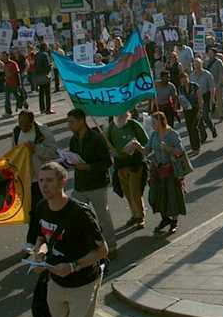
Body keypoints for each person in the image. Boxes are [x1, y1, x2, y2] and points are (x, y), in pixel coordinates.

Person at [28, 161, 116, 317]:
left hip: (83, 281)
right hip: (55, 280)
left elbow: (102, 250)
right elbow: (41, 237)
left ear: (62, 182)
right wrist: (39, 255)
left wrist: (74, 266)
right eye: (41, 180)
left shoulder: (80, 213)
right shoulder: (42, 208)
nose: (44, 186)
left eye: (49, 181)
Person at [66, 109, 117, 258]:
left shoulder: (96, 138)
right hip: (80, 185)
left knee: (103, 217)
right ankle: (85, 245)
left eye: (72, 122)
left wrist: (88, 167)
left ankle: (111, 247)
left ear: (81, 121)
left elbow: (107, 162)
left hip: (96, 184)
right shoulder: (73, 140)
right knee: (75, 214)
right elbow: (73, 157)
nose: (69, 125)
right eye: (68, 122)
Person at [135, 111, 187, 234]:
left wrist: (169, 149)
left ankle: (174, 221)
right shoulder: (154, 135)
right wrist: (138, 147)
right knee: (155, 196)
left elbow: (180, 150)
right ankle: (165, 218)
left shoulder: (172, 134)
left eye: (154, 122)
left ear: (161, 122)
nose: (152, 124)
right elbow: (146, 151)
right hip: (157, 170)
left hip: (171, 170)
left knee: (172, 197)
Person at [13, 110, 58, 249]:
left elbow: (53, 152)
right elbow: (14, 152)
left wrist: (36, 148)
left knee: (42, 210)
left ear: (32, 122)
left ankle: (33, 240)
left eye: (25, 125)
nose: (23, 127)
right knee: (32, 211)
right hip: (26, 179)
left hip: (42, 179)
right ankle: (39, 239)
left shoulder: (42, 131)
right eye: (20, 124)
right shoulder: (16, 132)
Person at [106, 111, 149, 230]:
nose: (119, 115)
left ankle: (140, 216)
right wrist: (111, 150)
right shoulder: (110, 128)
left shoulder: (134, 125)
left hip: (135, 163)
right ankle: (134, 214)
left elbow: (146, 142)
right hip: (120, 164)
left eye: (122, 112)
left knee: (135, 191)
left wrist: (137, 146)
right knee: (128, 192)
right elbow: (107, 145)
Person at [191, 58, 217, 141]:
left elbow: (212, 87)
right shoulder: (191, 76)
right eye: (195, 64)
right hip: (196, 99)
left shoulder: (207, 74)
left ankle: (212, 129)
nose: (196, 66)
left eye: (198, 64)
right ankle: (203, 136)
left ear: (201, 64)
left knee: (206, 116)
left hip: (205, 97)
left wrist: (212, 99)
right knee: (199, 118)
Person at [177, 71, 203, 153]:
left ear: (188, 77)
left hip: (195, 109)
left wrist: (200, 109)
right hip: (187, 110)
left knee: (194, 127)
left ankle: (197, 147)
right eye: (182, 79)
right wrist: (181, 109)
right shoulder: (181, 88)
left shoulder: (195, 86)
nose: (184, 80)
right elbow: (181, 100)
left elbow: (200, 99)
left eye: (185, 78)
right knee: (189, 129)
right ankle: (193, 147)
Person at [1, 51, 26, 116]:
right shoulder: (4, 64)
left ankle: (23, 103)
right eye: (2, 56)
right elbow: (5, 73)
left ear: (7, 56)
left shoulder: (13, 63)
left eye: (3, 56)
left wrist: (19, 84)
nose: (2, 57)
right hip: (7, 83)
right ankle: (8, 111)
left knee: (17, 96)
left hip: (14, 83)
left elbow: (17, 74)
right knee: (7, 98)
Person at [205, 47, 223, 122]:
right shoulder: (206, 62)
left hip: (218, 84)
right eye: (209, 53)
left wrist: (218, 85)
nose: (209, 54)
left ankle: (221, 115)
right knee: (210, 100)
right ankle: (209, 115)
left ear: (214, 54)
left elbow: (221, 74)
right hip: (209, 85)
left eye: (211, 53)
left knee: (220, 101)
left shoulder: (219, 62)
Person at [33, 43, 54, 114]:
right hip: (45, 75)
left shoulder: (36, 55)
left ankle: (42, 109)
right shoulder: (45, 54)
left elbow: (34, 65)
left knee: (41, 93)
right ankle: (48, 109)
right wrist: (50, 65)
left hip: (38, 76)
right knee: (47, 94)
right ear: (45, 47)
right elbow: (47, 66)